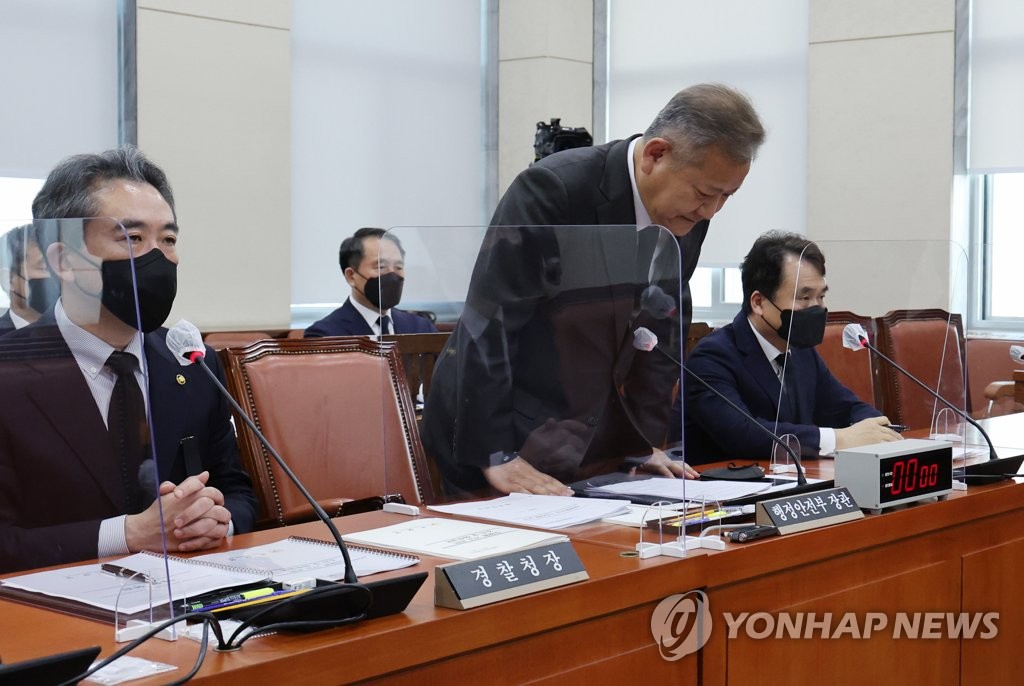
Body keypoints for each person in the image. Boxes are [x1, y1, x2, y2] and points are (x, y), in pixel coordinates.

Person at [422, 83, 765, 497]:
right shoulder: (555, 190)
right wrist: (496, 453)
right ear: (656, 155)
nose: (711, 211)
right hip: (496, 430)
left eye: (726, 196)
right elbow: (489, 322)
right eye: (705, 193)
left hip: (586, 437)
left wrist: (645, 443)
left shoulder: (687, 213)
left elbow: (663, 327)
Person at [0, 146, 257, 573]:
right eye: (132, 237)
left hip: (192, 603)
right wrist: (128, 535)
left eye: (169, 239)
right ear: (64, 259)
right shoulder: (9, 372)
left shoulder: (191, 364)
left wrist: (217, 521)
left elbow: (239, 492)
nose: (158, 257)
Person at [678, 231, 902, 464]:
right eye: (804, 298)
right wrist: (838, 439)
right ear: (758, 303)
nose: (816, 308)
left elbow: (845, 407)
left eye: (821, 297)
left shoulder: (800, 350)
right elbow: (743, 433)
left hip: (791, 482)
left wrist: (876, 428)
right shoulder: (713, 356)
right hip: (721, 491)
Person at [304, 227, 437, 338]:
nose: (392, 275)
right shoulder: (325, 335)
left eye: (398, 267)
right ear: (351, 276)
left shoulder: (421, 328)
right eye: (381, 267)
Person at [0, 224, 59, 333]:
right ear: (9, 280)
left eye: (58, 266)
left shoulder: (81, 334)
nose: (56, 275)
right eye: (44, 267)